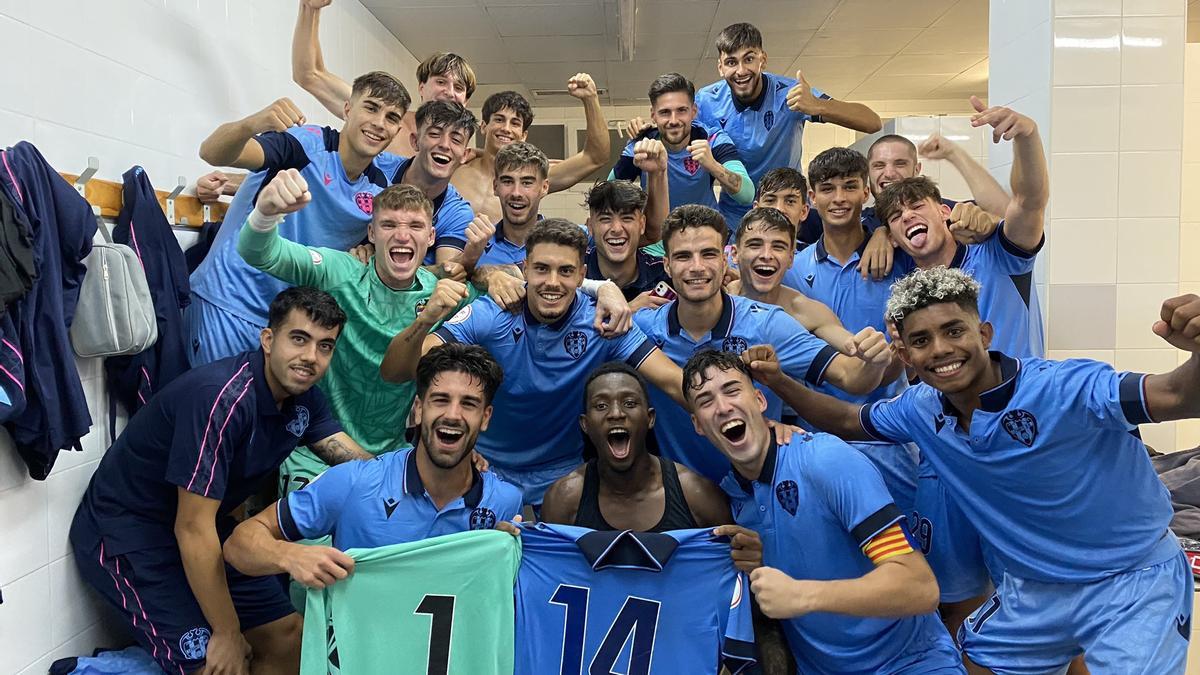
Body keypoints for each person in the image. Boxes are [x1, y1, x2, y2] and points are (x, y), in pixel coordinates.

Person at [753, 269, 1200, 674]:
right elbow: (849, 421)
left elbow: (1178, 397)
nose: (942, 349)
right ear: (906, 355)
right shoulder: (920, 409)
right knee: (977, 663)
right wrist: (778, 383)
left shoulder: (1067, 388)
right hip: (1035, 588)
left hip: (1131, 582)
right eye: (922, 340)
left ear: (984, 333)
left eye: (954, 331)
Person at [69, 287, 372, 675]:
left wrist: (415, 469)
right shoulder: (220, 400)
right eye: (299, 339)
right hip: (128, 533)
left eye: (325, 346)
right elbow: (192, 528)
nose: (310, 357)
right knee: (216, 666)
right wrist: (227, 631)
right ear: (268, 340)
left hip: (204, 527)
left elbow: (355, 463)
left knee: (289, 638)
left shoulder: (304, 399)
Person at [683, 350, 964, 674]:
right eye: (705, 401)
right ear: (697, 425)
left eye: (732, 390)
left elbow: (919, 587)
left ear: (760, 400)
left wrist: (804, 595)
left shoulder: (825, 460)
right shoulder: (732, 499)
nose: (722, 407)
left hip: (910, 663)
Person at [381, 218, 689, 507]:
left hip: (565, 474)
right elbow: (396, 372)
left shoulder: (602, 321)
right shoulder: (493, 314)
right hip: (484, 467)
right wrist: (426, 321)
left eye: (565, 271)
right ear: (524, 269)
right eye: (541, 269)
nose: (552, 282)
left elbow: (675, 383)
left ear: (582, 275)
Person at [541, 361, 801, 675]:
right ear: (585, 424)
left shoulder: (696, 496)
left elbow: (746, 603)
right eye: (600, 406)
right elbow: (546, 603)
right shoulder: (564, 499)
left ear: (649, 419)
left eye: (630, 403)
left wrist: (752, 563)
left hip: (681, 654)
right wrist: (510, 545)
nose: (616, 414)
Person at [237, 169, 482, 496]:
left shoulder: (444, 294)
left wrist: (489, 276)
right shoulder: (339, 271)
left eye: (415, 226)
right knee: (315, 543)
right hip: (314, 449)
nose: (402, 235)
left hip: (391, 455)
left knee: (384, 543)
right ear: (372, 232)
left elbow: (501, 305)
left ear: (431, 236)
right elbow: (258, 252)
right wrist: (266, 212)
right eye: (389, 225)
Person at [633, 204, 893, 483]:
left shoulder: (766, 324)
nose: (697, 267)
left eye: (708, 254)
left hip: (760, 492)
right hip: (683, 495)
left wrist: (874, 360)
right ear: (667, 265)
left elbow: (851, 378)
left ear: (724, 261)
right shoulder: (644, 327)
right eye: (684, 256)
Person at [224, 343, 522, 582]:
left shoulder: (505, 503)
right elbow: (239, 544)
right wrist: (289, 556)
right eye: (440, 400)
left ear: (485, 418)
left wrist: (505, 559)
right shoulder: (354, 482)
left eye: (468, 404)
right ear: (418, 410)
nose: (453, 415)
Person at [189, 72, 409, 366]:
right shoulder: (305, 145)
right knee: (216, 408)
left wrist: (367, 249)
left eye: (392, 117)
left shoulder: (378, 191)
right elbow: (211, 151)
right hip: (228, 304)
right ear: (347, 109)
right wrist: (252, 124)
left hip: (288, 327)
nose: (379, 123)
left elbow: (364, 249)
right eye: (370, 108)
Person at [877, 99, 1048, 359]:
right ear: (893, 239)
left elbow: (1029, 201)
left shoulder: (999, 257)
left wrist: (1027, 137)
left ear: (945, 212)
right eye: (896, 215)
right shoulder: (909, 296)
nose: (908, 216)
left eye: (917, 206)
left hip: (1021, 397)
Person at [695, 22, 882, 230]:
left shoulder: (790, 93)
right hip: (734, 216)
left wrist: (817, 105)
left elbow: (872, 122)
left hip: (788, 210)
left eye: (749, 59)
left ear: (762, 60)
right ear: (721, 68)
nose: (741, 71)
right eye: (731, 62)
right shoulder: (705, 101)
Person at [292, 0, 476, 158]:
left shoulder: (463, 154)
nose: (449, 92)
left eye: (458, 87)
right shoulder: (385, 118)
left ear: (466, 101)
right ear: (421, 87)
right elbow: (309, 75)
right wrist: (310, 9)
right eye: (441, 81)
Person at [613, 72, 753, 232]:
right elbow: (605, 195)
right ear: (653, 115)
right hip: (657, 244)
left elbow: (747, 194)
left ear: (693, 111)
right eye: (665, 112)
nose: (674, 120)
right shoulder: (642, 145)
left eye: (681, 110)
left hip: (704, 237)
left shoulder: (713, 139)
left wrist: (713, 166)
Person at [452, 85, 611, 222]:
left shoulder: (536, 175)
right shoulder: (455, 168)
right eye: (499, 120)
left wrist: (590, 99)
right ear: (483, 126)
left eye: (515, 123)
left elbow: (595, 157)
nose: (506, 128)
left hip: (506, 258)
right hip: (446, 256)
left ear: (523, 136)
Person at [728, 207, 859, 357]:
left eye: (778, 246)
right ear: (735, 254)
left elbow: (854, 359)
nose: (766, 255)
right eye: (755, 245)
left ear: (791, 258)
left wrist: (874, 349)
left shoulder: (807, 312)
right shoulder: (719, 297)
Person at [388, 100, 479, 265]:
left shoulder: (457, 213)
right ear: (415, 141)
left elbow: (446, 273)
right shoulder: (376, 170)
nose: (444, 145)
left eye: (456, 139)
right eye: (435, 134)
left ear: (465, 155)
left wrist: (470, 257)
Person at [582, 180, 672, 309]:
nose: (617, 229)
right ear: (590, 227)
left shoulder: (664, 274)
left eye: (627, 218)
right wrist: (631, 309)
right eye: (605, 219)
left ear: (642, 224)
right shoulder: (573, 272)